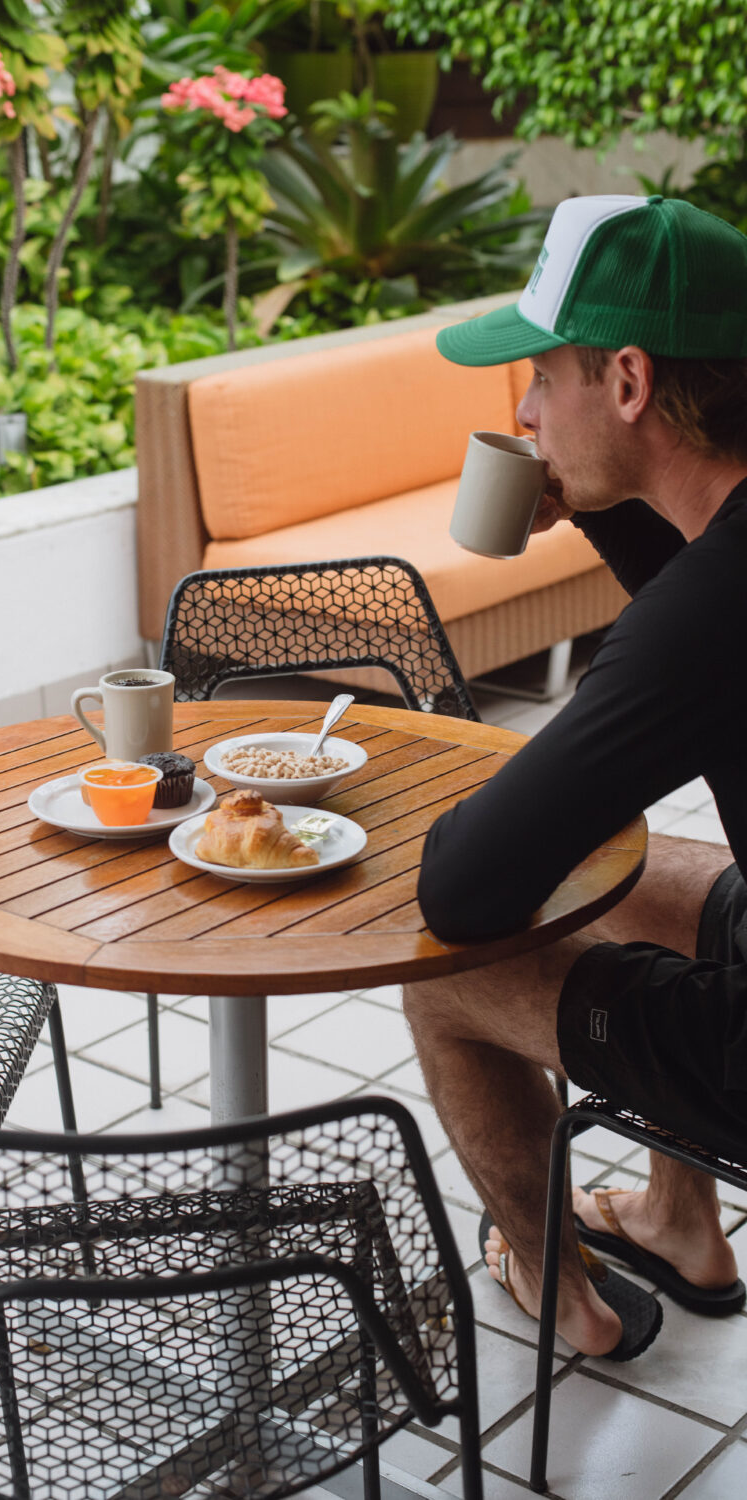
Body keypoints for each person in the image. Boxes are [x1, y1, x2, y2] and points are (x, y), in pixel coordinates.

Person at [404, 192, 747, 1360]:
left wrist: (448, 811)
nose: (523, 410)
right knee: (662, 876)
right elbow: (698, 612)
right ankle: (678, 1222)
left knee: (444, 978)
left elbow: (466, 890)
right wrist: (602, 508)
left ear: (631, 383)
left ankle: (562, 1299)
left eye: (545, 377)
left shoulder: (716, 607)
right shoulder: (724, 560)